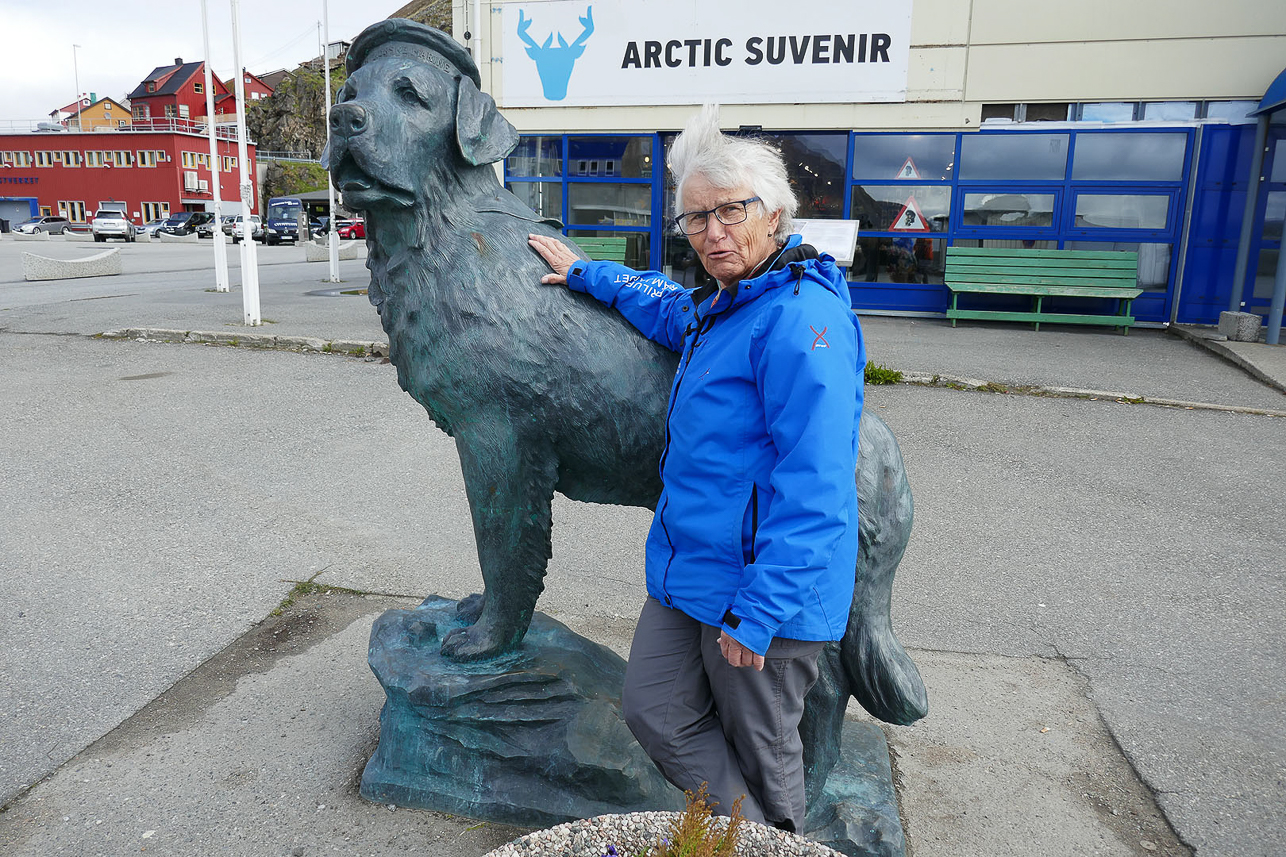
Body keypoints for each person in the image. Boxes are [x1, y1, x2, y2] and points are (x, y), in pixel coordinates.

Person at [528, 105, 865, 833]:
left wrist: (762, 610)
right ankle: (741, 835)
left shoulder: (803, 323)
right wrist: (589, 274)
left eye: (730, 213)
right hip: (691, 576)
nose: (712, 233)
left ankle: (773, 840)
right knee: (654, 707)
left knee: (767, 755)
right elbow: (667, 307)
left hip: (760, 594)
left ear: (773, 214)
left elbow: (819, 490)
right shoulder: (723, 306)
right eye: (694, 219)